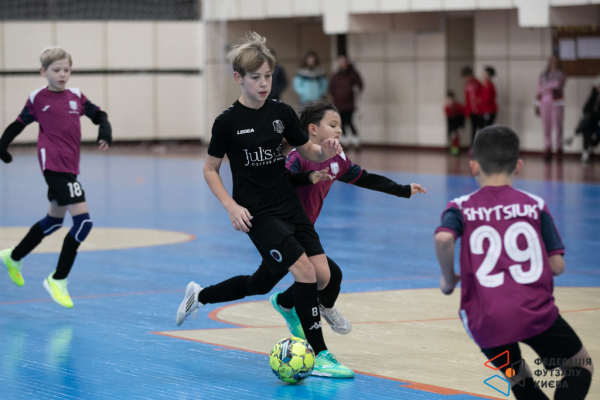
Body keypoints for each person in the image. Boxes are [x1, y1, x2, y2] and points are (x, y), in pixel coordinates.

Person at [174, 32, 353, 378]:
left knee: (306, 277)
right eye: (255, 77)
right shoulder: (227, 122)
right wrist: (231, 206)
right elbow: (210, 169)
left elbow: (309, 150)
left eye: (268, 76)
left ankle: (200, 295)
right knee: (305, 272)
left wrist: (326, 151)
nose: (263, 83)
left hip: (288, 205)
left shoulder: (281, 113)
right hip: (258, 214)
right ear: (238, 78)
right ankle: (320, 355)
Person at [434, 126, 593, 400]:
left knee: (519, 377)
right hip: (535, 314)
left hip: (485, 321)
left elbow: (444, 238)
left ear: (474, 166)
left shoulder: (460, 207)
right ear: (518, 166)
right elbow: (557, 266)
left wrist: (449, 280)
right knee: (580, 366)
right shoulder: (534, 205)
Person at [0, 47, 112, 308]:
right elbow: (17, 124)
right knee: (83, 223)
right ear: (43, 71)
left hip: (70, 166)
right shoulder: (37, 98)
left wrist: (104, 130)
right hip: (53, 165)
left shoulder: (76, 96)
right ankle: (58, 279)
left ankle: (13, 257)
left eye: (66, 70)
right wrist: (2, 146)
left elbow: (100, 115)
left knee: (53, 221)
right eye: (57, 70)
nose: (62, 74)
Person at [329, 55, 363, 148]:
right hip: (339, 104)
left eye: (344, 62)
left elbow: (359, 85)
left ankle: (356, 141)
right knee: (341, 123)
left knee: (349, 121)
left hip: (349, 104)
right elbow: (331, 88)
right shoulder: (336, 76)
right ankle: (345, 142)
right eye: (340, 62)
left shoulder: (352, 74)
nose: (342, 64)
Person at [536, 56, 566, 161]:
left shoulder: (561, 74)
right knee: (546, 126)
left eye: (555, 61)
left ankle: (559, 149)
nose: (553, 63)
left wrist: (545, 86)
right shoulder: (543, 74)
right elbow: (538, 88)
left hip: (556, 103)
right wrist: (549, 86)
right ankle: (548, 148)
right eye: (551, 61)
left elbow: (557, 85)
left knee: (558, 126)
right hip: (544, 102)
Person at [577, 74, 600, 163]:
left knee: (589, 124)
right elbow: (585, 108)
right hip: (593, 121)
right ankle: (586, 150)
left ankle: (591, 143)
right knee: (586, 127)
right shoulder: (594, 95)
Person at [461, 66, 483, 148]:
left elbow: (481, 96)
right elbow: (467, 98)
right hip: (472, 111)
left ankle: (481, 146)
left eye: (467, 77)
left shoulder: (477, 83)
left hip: (479, 111)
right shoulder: (466, 85)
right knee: (473, 128)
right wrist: (467, 110)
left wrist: (481, 108)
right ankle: (472, 146)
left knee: (481, 128)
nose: (466, 79)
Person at [444, 91, 465, 155]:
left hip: (458, 124)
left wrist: (461, 127)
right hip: (452, 125)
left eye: (450, 99)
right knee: (452, 137)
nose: (449, 101)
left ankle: (455, 151)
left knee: (456, 138)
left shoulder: (458, 107)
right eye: (448, 100)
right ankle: (453, 151)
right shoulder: (447, 108)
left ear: (453, 99)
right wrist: (450, 130)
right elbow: (449, 120)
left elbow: (462, 117)